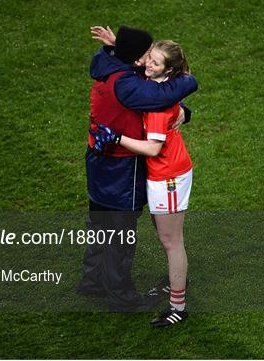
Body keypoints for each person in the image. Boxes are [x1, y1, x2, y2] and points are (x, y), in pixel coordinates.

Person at [79, 25, 198, 312]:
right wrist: (187, 80)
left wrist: (116, 45)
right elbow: (160, 96)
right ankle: (121, 296)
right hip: (122, 167)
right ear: (134, 59)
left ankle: (92, 279)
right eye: (145, 55)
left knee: (99, 223)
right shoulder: (127, 84)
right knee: (121, 232)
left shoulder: (106, 62)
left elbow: (154, 95)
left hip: (97, 161)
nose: (148, 60)